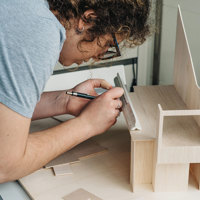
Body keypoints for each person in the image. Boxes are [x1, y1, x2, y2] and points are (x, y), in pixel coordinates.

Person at [0, 0, 150, 183]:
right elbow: (5, 166)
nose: (100, 55)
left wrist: (63, 101)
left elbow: (6, 111)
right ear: (88, 19)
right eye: (108, 44)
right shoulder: (40, 29)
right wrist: (87, 125)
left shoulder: (26, 8)